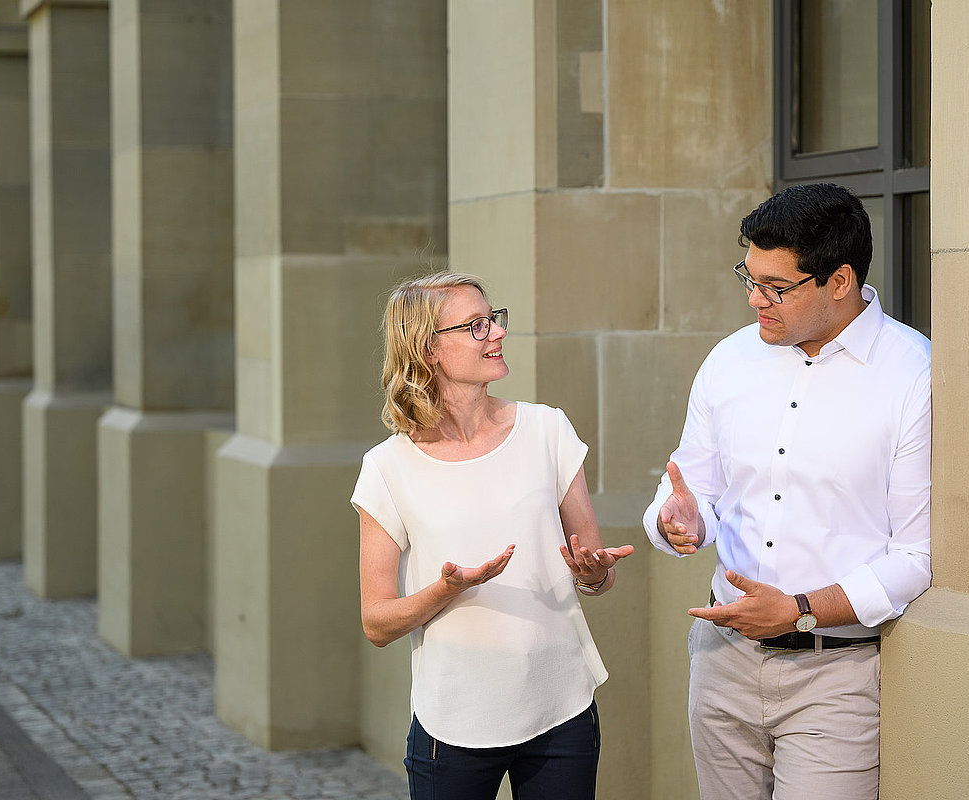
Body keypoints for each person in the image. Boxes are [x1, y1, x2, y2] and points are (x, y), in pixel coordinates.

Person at [642, 183, 931, 800]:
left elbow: (917, 557)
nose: (754, 300)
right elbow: (695, 495)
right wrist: (677, 522)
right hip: (721, 662)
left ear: (841, 279)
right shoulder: (729, 360)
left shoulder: (914, 375)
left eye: (776, 288)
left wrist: (799, 608)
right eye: (748, 277)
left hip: (837, 677)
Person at [352, 272, 634, 800]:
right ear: (427, 350)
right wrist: (448, 588)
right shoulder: (387, 468)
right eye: (476, 326)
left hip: (561, 710)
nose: (497, 334)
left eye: (493, 319)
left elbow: (596, 570)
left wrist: (595, 573)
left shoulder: (548, 430)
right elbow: (376, 623)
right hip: (452, 725)